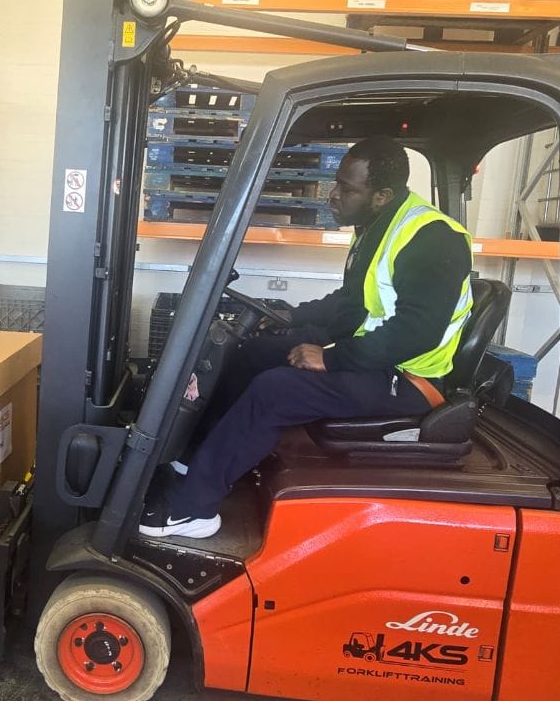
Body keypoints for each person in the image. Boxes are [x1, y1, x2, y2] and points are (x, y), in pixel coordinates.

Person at [139, 136, 474, 539]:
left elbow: (416, 332)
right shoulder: (377, 227)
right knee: (254, 354)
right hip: (376, 358)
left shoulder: (432, 238)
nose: (333, 195)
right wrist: (292, 316)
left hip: (409, 379)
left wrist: (329, 359)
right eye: (337, 184)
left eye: (347, 189)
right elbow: (351, 304)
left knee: (276, 389)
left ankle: (193, 509)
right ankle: (193, 461)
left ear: (382, 195)